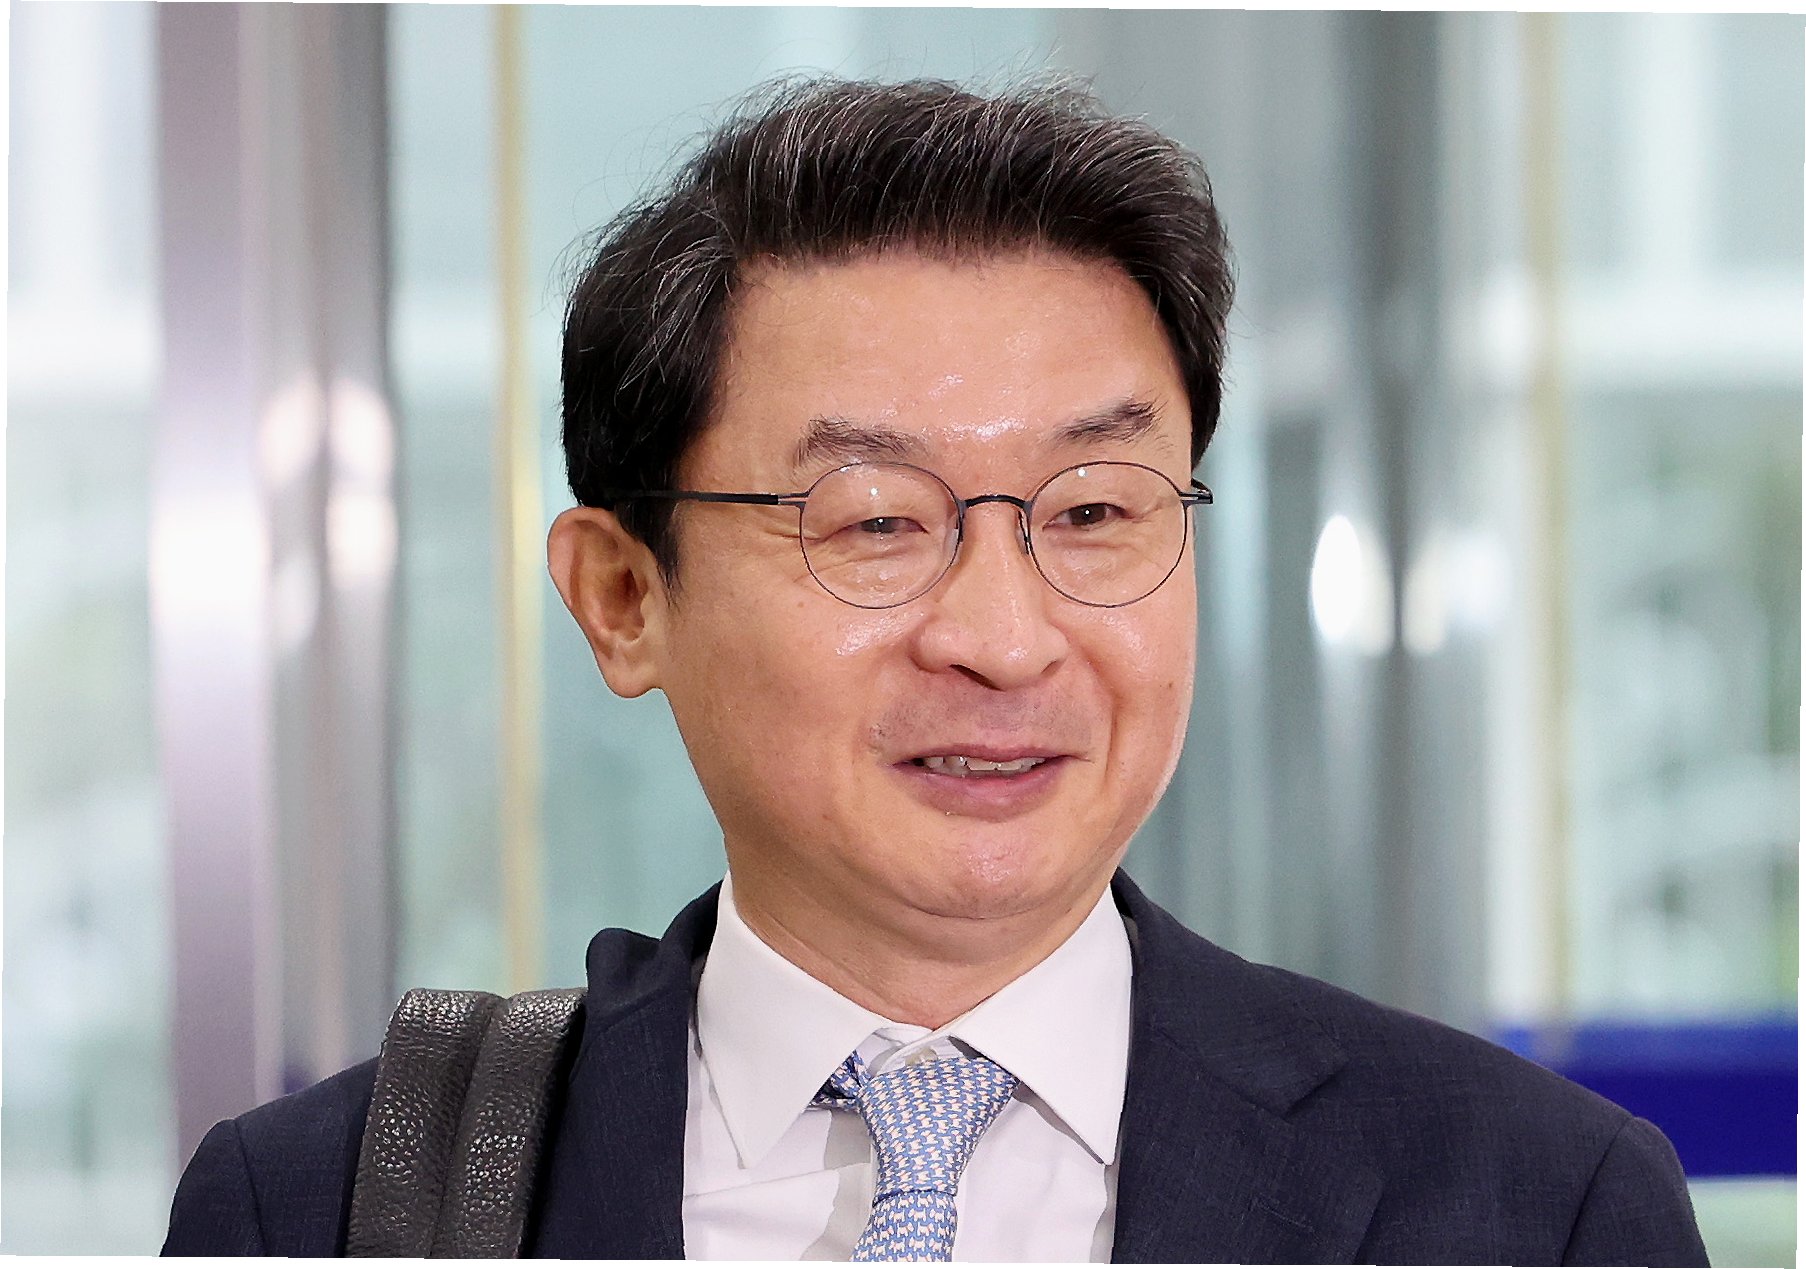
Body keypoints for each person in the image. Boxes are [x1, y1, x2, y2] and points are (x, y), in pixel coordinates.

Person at [162, 76, 1707, 1263]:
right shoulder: (320, 1204)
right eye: (874, 520)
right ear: (623, 597)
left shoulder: (1531, 1201)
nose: (1003, 636)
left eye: (1092, 512)